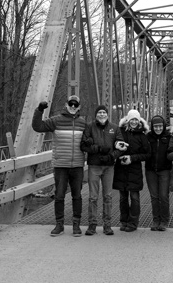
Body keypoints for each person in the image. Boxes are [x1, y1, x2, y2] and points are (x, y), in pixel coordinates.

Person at [32, 95, 87, 237]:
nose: (73, 107)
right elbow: (37, 127)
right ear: (66, 104)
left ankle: (76, 225)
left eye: (76, 104)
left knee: (77, 196)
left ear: (79, 106)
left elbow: (91, 140)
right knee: (59, 195)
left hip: (77, 165)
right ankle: (59, 225)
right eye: (71, 104)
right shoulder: (56, 121)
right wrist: (39, 110)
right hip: (61, 164)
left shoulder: (83, 123)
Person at [80, 105, 125, 236]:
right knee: (93, 197)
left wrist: (111, 156)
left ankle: (107, 225)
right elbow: (83, 145)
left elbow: (121, 146)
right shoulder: (89, 127)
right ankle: (92, 225)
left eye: (104, 112)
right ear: (96, 115)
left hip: (109, 166)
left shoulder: (115, 128)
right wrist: (99, 149)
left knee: (108, 196)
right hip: (94, 165)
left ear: (107, 114)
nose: (101, 114)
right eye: (99, 112)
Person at [112, 109, 151, 232]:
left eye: (136, 119)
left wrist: (132, 158)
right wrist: (120, 155)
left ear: (139, 121)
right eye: (132, 119)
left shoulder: (142, 136)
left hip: (134, 169)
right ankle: (124, 221)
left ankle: (133, 223)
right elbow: (113, 146)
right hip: (121, 169)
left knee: (134, 197)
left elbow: (147, 154)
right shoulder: (120, 132)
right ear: (128, 120)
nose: (134, 121)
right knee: (123, 198)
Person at [145, 115, 173, 231]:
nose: (158, 129)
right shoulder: (147, 137)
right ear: (152, 127)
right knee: (154, 196)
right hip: (150, 170)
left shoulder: (169, 137)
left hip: (164, 170)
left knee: (163, 196)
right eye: (155, 126)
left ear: (164, 126)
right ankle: (156, 219)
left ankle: (165, 220)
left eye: (160, 126)